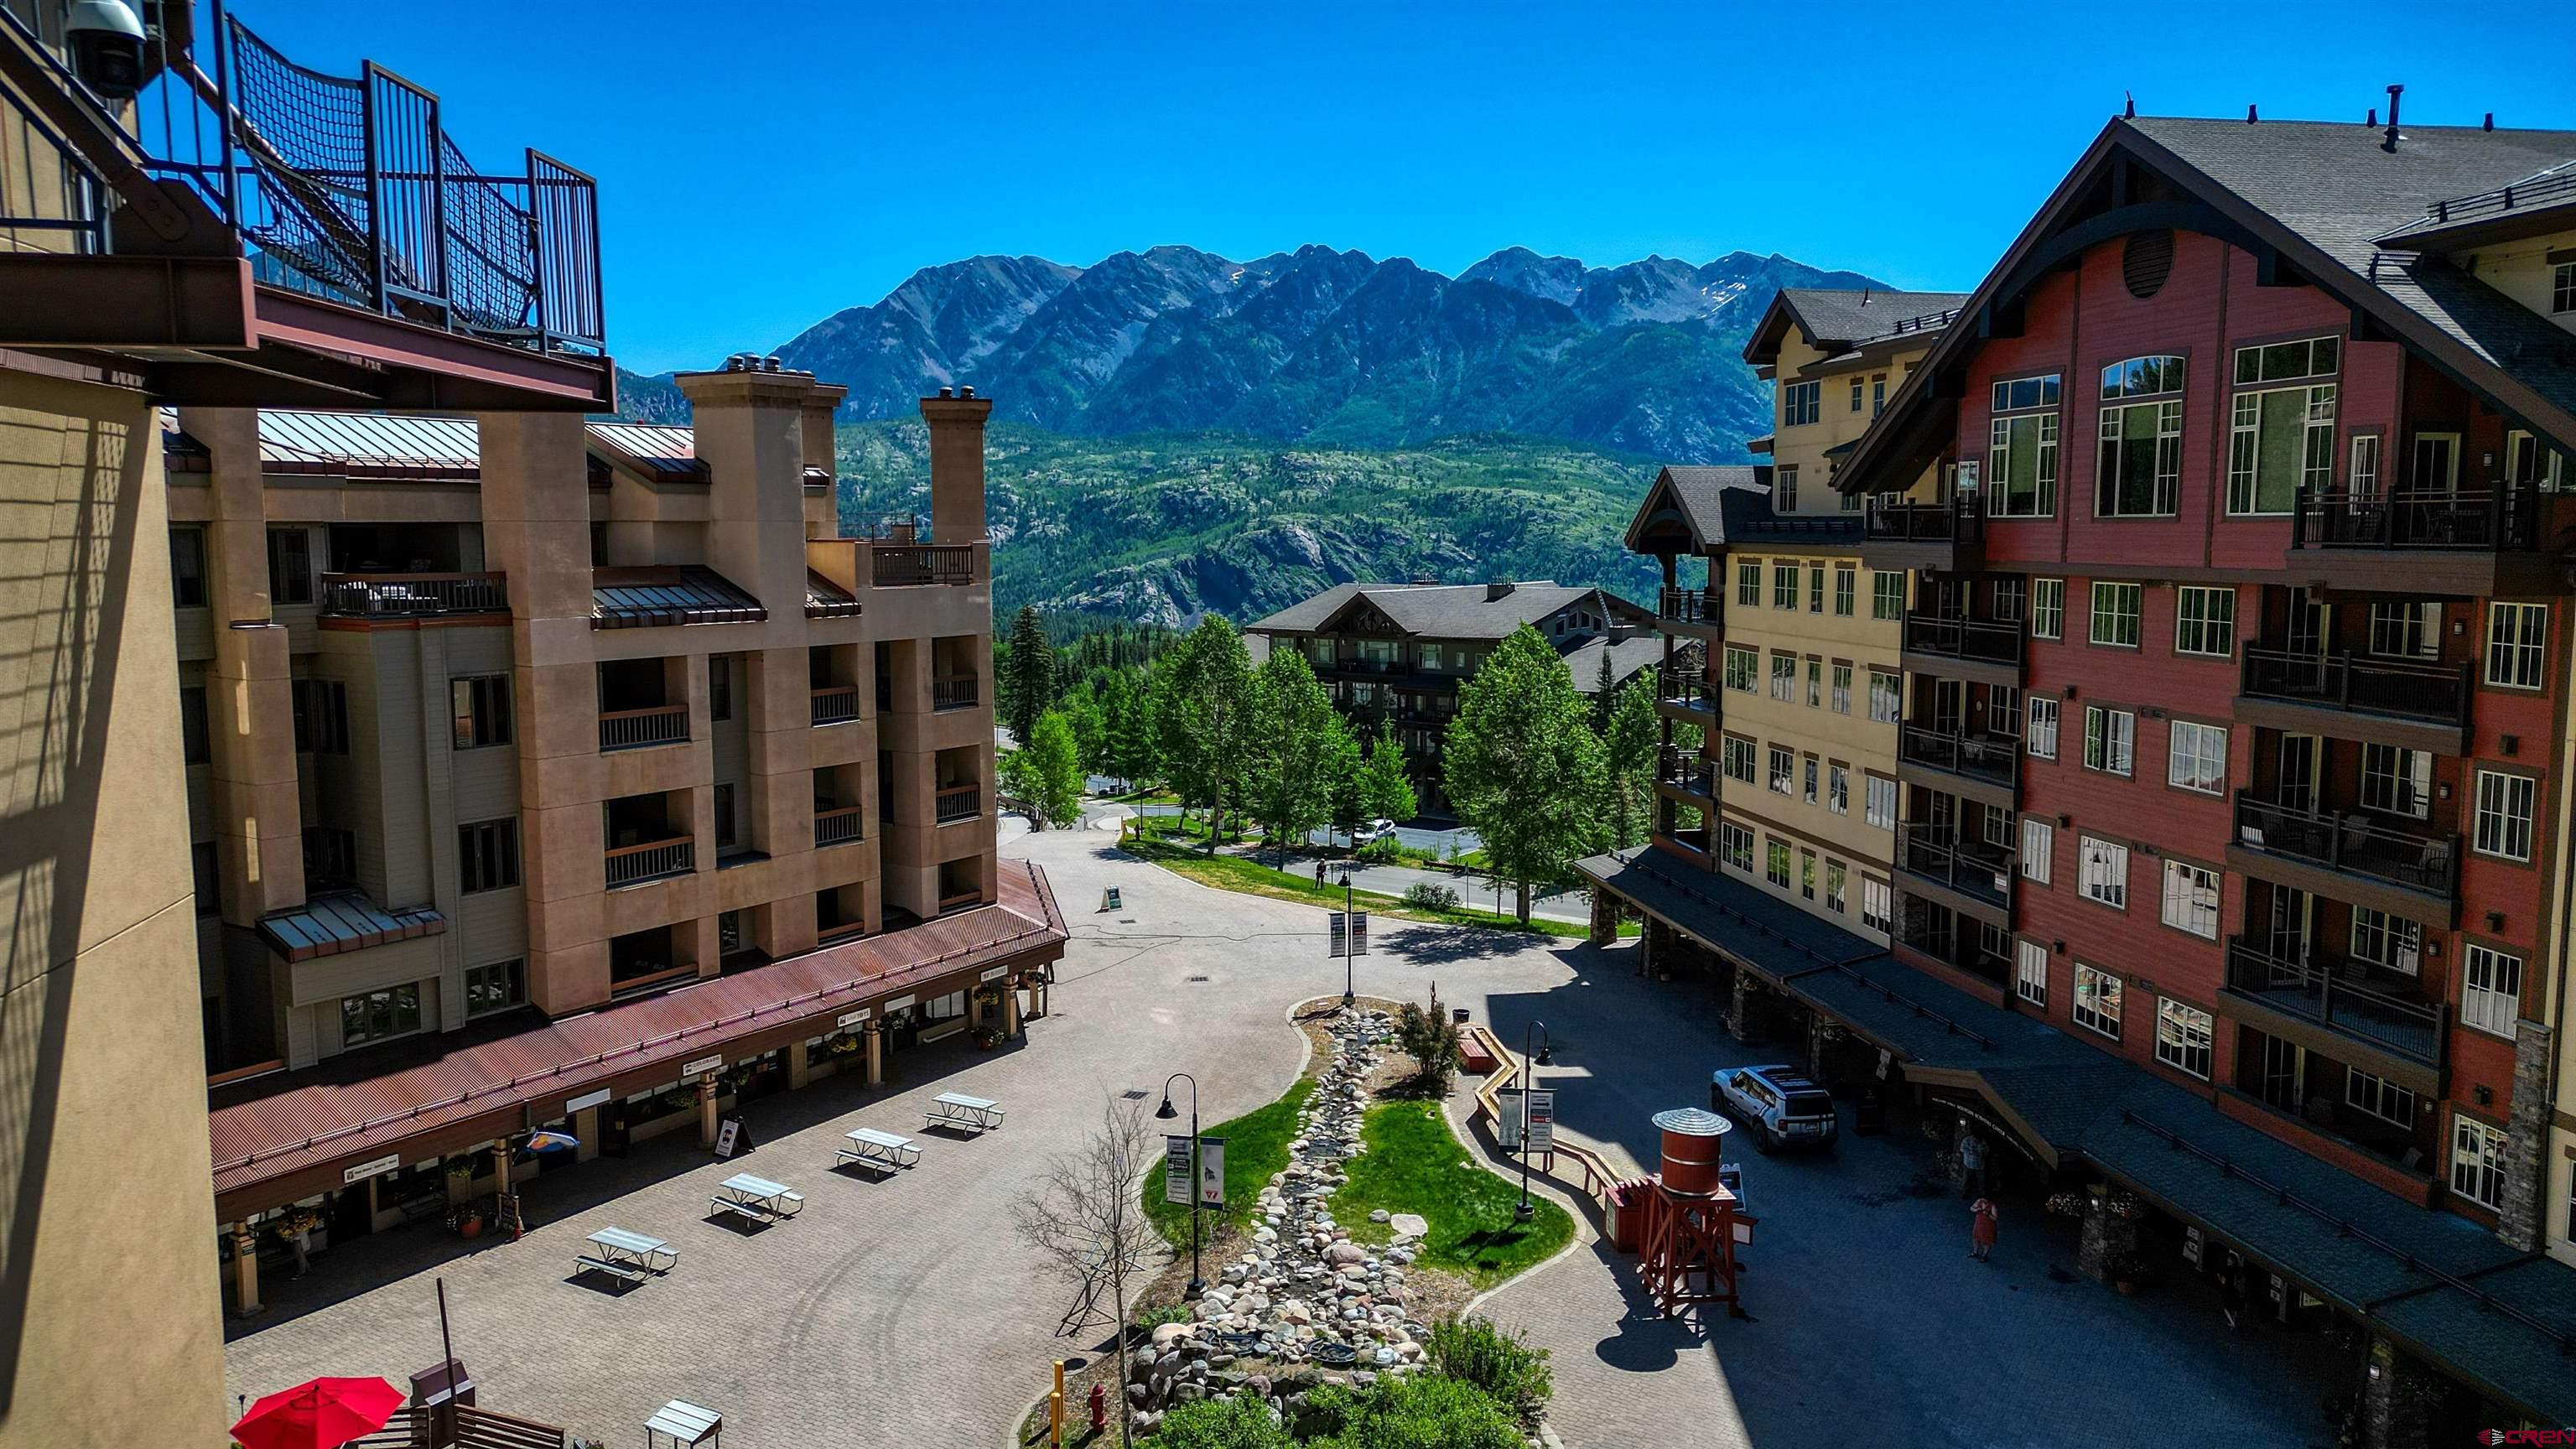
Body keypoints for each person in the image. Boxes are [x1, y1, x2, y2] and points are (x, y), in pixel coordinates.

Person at [1958, 1127, 1988, 1199]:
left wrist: (1980, 1151)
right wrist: (1971, 1152)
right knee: (1966, 1180)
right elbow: (1962, 1149)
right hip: (1968, 1164)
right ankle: (1965, 1194)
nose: (1976, 1140)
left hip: (1979, 1165)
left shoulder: (1983, 1143)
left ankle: (1982, 1196)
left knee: (1981, 1181)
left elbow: (1986, 1152)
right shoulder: (1967, 1140)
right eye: (1975, 1138)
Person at [1969, 1197, 1998, 1262]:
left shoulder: (1992, 1206)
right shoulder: (1979, 1201)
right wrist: (1976, 1210)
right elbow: (1971, 1208)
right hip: (1979, 1223)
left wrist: (1988, 1214)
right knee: (1975, 1237)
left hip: (1988, 1226)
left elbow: (1995, 1218)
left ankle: (1984, 1255)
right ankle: (1975, 1252)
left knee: (1987, 1241)